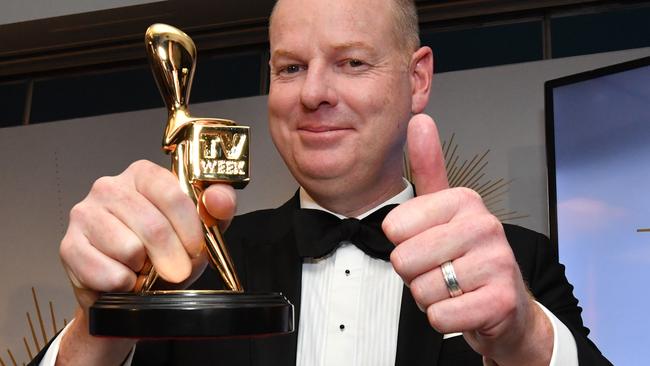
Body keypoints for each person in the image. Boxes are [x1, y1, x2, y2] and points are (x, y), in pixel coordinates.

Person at [32, 0, 611, 365]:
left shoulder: (520, 264)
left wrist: (524, 339)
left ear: (417, 79)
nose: (312, 93)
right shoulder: (191, 269)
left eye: (352, 62)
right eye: (289, 67)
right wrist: (98, 327)